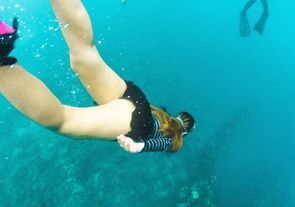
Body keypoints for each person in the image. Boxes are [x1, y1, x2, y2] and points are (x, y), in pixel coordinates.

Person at [0, 0, 195, 153]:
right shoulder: (173, 140)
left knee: (84, 53)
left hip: (135, 96)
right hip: (136, 124)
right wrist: (139, 147)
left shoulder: (163, 116)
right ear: (184, 132)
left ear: (177, 117)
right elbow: (161, 144)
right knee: (63, 120)